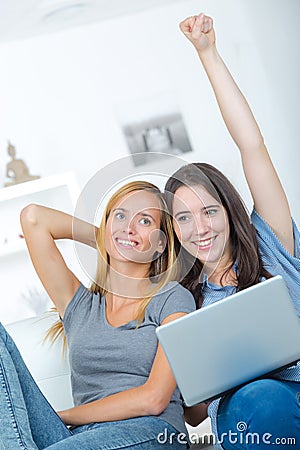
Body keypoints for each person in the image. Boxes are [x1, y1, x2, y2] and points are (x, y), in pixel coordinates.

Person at [164, 13, 300, 450]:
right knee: (257, 400)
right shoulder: (182, 299)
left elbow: (252, 145)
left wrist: (208, 53)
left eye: (208, 211)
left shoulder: (270, 241)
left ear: (230, 210)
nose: (199, 228)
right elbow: (193, 411)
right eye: (183, 218)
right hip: (251, 410)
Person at [0, 180, 196, 449]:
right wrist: (110, 238)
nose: (129, 226)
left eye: (145, 221)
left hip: (152, 430)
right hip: (81, 438)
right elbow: (33, 218)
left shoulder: (172, 298)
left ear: (160, 243)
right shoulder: (79, 305)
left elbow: (154, 399)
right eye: (120, 214)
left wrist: (63, 416)